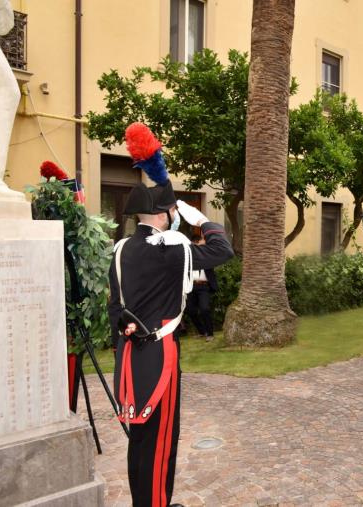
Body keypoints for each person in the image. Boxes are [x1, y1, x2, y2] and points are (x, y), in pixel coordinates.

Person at [109, 122, 233, 507]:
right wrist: (200, 220)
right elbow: (222, 250)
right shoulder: (172, 248)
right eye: (174, 213)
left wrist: (124, 333)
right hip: (160, 353)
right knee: (162, 435)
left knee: (141, 439)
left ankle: (147, 501)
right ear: (164, 215)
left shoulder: (121, 248)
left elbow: (115, 308)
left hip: (130, 356)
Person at [186, 234, 218, 341]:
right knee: (191, 311)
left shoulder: (206, 256)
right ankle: (201, 331)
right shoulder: (188, 257)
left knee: (204, 309)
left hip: (203, 286)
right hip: (191, 286)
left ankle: (210, 333)